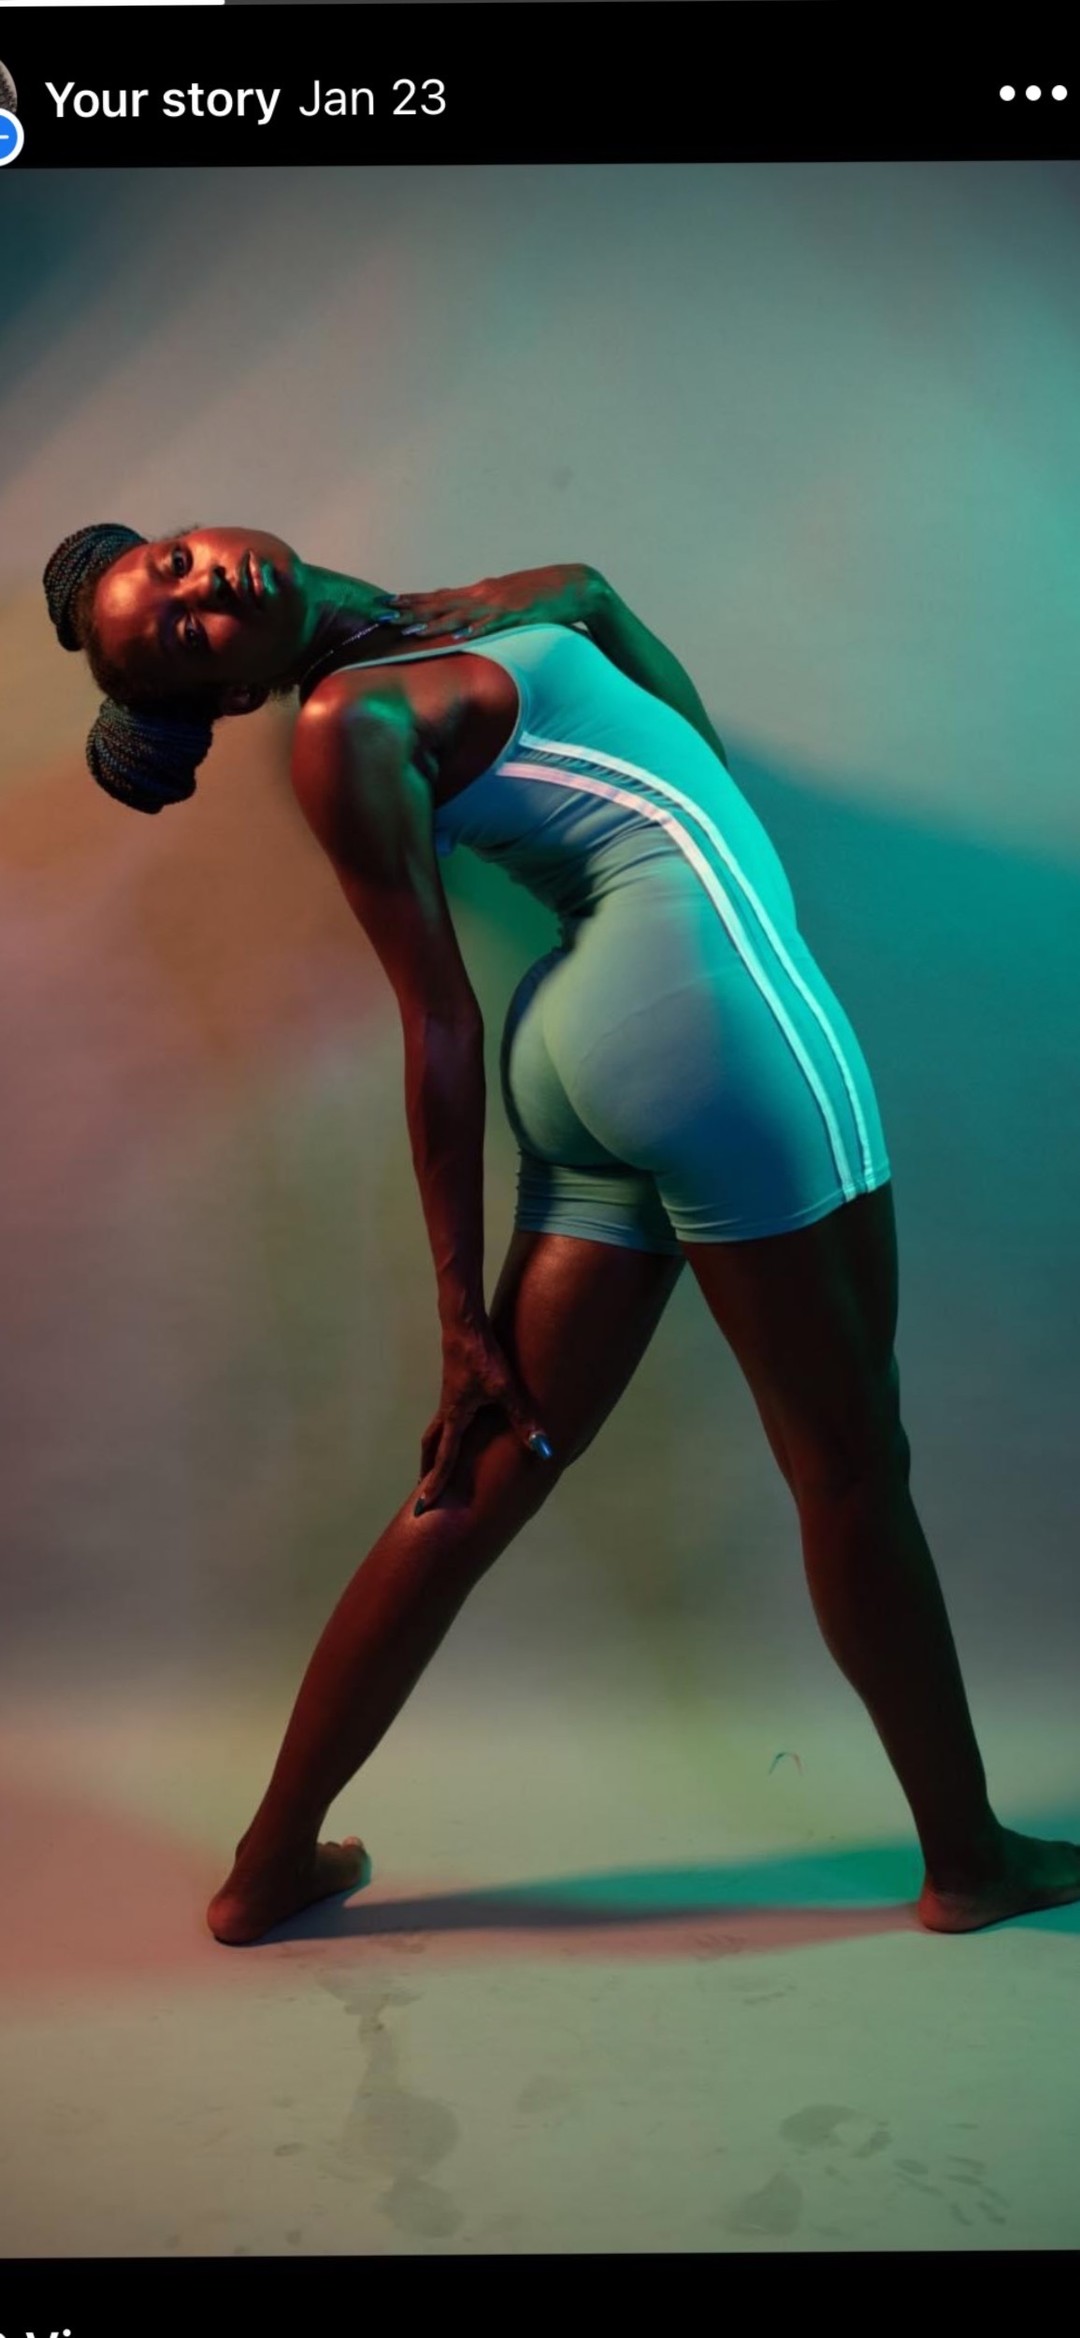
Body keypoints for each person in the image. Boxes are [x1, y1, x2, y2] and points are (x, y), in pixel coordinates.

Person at [42, 521, 1080, 1945]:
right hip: (708, 1012)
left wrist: (591, 595)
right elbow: (436, 1024)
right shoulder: (343, 725)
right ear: (228, 696)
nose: (203, 588)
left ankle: (270, 1864)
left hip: (609, 1033)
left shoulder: (426, 630)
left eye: (174, 566)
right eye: (181, 635)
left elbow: (691, 759)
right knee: (849, 1462)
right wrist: (457, 1313)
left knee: (483, 1480)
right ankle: (968, 1860)